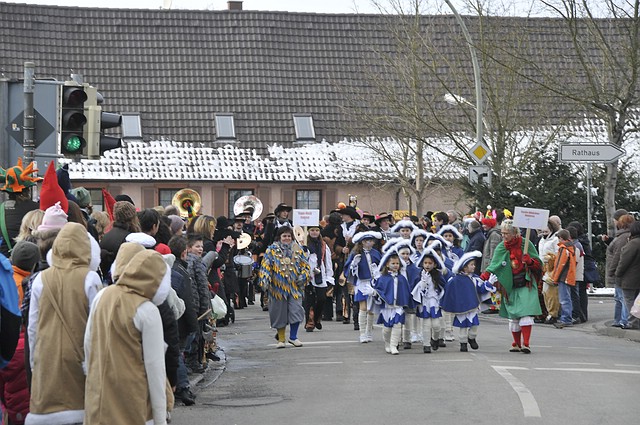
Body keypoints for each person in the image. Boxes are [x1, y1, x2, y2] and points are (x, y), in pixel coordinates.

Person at [26, 222, 103, 425]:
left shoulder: (41, 279)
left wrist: (34, 361)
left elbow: (33, 326)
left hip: (47, 356)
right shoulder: (90, 278)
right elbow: (97, 326)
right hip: (80, 358)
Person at [84, 249, 170, 425]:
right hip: (133, 397)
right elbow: (155, 368)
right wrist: (160, 418)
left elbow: (88, 342)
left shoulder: (102, 295)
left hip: (100, 393)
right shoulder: (147, 310)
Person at [484, 219, 542, 354]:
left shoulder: (526, 244)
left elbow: (539, 264)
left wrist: (530, 261)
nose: (503, 236)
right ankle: (516, 343)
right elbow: (494, 265)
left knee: (526, 313)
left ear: (514, 233)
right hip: (510, 285)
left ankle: (526, 343)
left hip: (526, 283)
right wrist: (484, 277)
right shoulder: (501, 247)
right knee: (514, 316)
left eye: (506, 233)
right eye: (502, 233)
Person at [440, 251, 496, 352]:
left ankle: (471, 338)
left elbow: (480, 290)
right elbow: (449, 291)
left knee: (474, 326)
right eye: (471, 264)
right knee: (463, 327)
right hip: (460, 308)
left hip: (472, 307)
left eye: (474, 264)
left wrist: (488, 283)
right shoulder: (455, 280)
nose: (474, 266)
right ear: (464, 267)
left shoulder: (474, 279)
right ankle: (463, 343)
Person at [343, 231, 383, 343]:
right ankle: (362, 333)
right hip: (362, 282)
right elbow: (348, 269)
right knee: (363, 307)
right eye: (366, 241)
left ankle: (368, 332)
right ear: (362, 242)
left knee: (371, 309)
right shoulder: (355, 253)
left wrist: (378, 272)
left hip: (373, 283)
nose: (369, 243)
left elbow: (382, 266)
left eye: (371, 241)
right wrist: (354, 265)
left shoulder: (376, 253)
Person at [372, 251, 411, 355]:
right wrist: (375, 293)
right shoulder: (383, 278)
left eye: (397, 263)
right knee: (387, 329)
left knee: (397, 325)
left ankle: (394, 345)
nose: (395, 265)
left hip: (398, 306)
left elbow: (406, 291)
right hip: (387, 307)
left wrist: (406, 303)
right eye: (393, 263)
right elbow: (378, 291)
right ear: (387, 264)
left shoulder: (402, 278)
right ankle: (387, 343)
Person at [0, 159, 41, 256]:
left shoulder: (1, 209)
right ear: (27, 189)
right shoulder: (36, 208)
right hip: (30, 257)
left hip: (5, 258)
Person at [411, 246, 446, 353]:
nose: (427, 265)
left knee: (436, 325)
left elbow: (444, 287)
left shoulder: (438, 275)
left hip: (435, 302)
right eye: (425, 263)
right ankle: (426, 345)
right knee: (426, 325)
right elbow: (415, 289)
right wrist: (422, 283)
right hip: (424, 303)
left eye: (430, 263)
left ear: (434, 264)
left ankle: (435, 339)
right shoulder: (419, 275)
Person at [606, 213, 635, 328]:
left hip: (621, 274)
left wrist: (612, 272)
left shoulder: (622, 238)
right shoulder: (626, 237)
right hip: (624, 273)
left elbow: (618, 256)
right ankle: (620, 320)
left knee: (622, 298)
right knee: (622, 298)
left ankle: (624, 320)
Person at [304, 224, 334, 332]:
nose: (314, 232)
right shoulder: (304, 244)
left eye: (316, 230)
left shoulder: (323, 245)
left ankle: (316, 318)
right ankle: (309, 322)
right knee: (309, 301)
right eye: (312, 230)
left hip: (320, 275)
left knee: (321, 299)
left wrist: (329, 276)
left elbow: (328, 261)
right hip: (307, 276)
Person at [616, 220, 640, 330]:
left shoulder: (633, 244)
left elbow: (624, 261)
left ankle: (632, 322)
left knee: (629, 301)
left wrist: (617, 273)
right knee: (637, 301)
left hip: (630, 278)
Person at [551, 230, 577, 329]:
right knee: (567, 298)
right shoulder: (571, 247)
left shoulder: (563, 248)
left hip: (563, 276)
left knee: (564, 299)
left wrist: (555, 277)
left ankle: (566, 319)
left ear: (561, 238)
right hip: (568, 276)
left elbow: (560, 264)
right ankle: (566, 318)